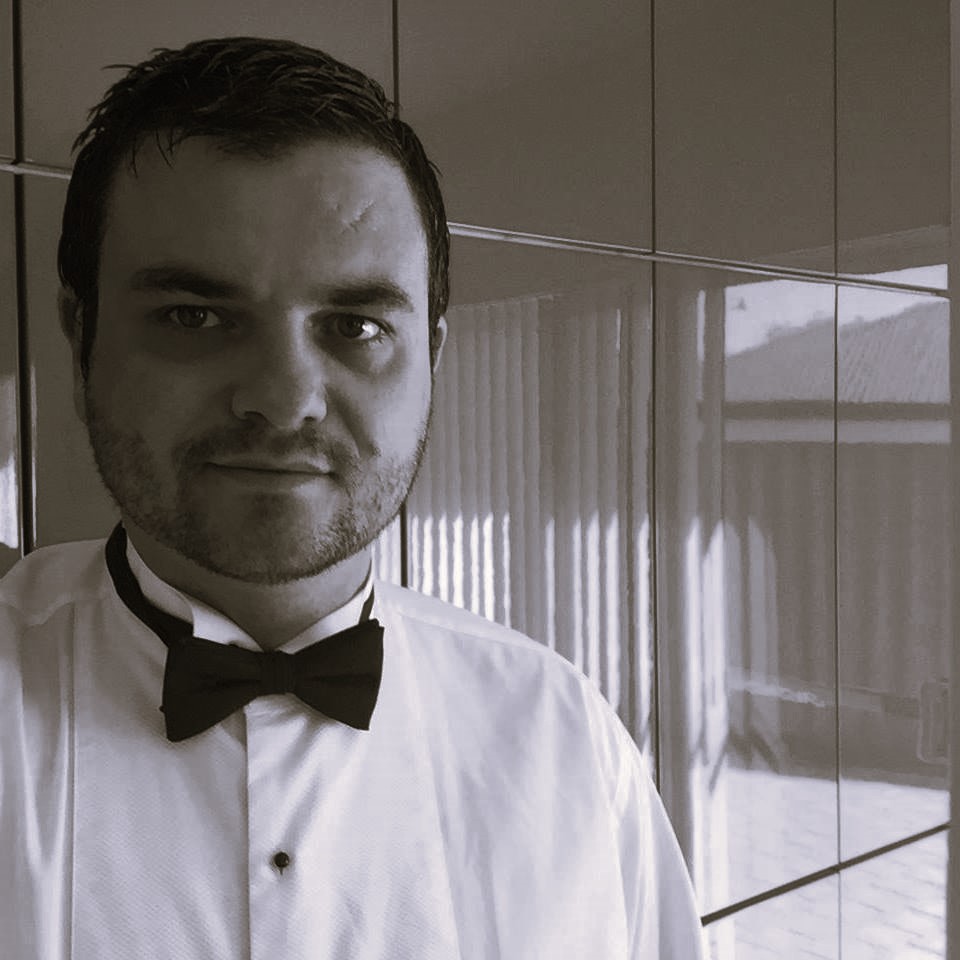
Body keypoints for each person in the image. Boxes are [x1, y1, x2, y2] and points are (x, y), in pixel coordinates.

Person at [0, 37, 706, 959]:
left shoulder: (564, 738)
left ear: (433, 357)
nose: (284, 398)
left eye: (356, 326)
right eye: (194, 316)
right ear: (80, 335)